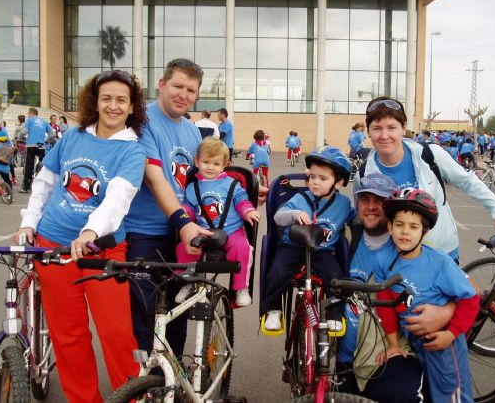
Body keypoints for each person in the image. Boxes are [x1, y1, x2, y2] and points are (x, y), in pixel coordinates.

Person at [12, 70, 147, 403]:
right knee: (69, 335)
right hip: (52, 245)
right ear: (95, 101)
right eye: (106, 98)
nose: (113, 106)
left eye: (121, 100)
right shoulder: (72, 137)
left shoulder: (132, 151)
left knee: (117, 335)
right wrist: (30, 222)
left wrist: (90, 231)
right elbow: (44, 183)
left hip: (103, 250)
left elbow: (118, 198)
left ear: (131, 107)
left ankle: (128, 398)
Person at [355, 96, 495, 261]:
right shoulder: (364, 174)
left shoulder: (430, 155)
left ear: (403, 128)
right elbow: (364, 218)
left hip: (442, 254)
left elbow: (468, 182)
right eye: (377, 128)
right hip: (395, 260)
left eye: (391, 127)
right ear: (368, 131)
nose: (384, 135)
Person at [124, 58, 211, 357]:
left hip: (180, 236)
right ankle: (148, 378)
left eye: (191, 89)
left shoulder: (192, 131)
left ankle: (172, 375)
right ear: (161, 85)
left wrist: (240, 191)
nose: (183, 95)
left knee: (178, 310)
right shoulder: (141, 120)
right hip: (144, 232)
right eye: (177, 86)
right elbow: (154, 178)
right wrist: (182, 220)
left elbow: (199, 179)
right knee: (145, 313)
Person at [374, 189, 478, 402]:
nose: (405, 232)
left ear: (425, 232)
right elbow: (385, 303)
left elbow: (470, 299)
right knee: (429, 393)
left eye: (413, 227)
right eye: (399, 224)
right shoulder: (384, 260)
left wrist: (451, 333)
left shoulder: (439, 263)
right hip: (413, 341)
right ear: (390, 227)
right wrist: (393, 344)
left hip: (443, 340)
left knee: (451, 396)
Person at [262, 146, 354, 332]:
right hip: (292, 247)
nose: (315, 182)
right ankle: (273, 310)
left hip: (323, 251)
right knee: (278, 272)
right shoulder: (300, 197)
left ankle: (334, 313)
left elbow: (354, 218)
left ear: (338, 183)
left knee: (336, 277)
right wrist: (295, 215)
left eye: (323, 178)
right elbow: (278, 217)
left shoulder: (343, 204)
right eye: (312, 177)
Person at [175, 138, 261, 307]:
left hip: (232, 230)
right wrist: (183, 213)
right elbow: (189, 208)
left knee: (243, 249)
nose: (210, 167)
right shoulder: (192, 188)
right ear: (197, 161)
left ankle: (241, 288)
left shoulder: (233, 184)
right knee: (183, 247)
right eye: (206, 162)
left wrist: (248, 211)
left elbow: (242, 201)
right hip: (203, 231)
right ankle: (188, 282)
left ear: (225, 165)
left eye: (216, 164)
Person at [19, 107, 54, 194]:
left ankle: (26, 187)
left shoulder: (30, 120)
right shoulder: (44, 121)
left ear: (31, 113)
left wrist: (19, 137)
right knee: (43, 165)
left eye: (28, 114)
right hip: (41, 145)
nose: (28, 115)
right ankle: (44, 183)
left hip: (31, 145)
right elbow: (52, 134)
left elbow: (24, 131)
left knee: (28, 166)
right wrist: (48, 141)